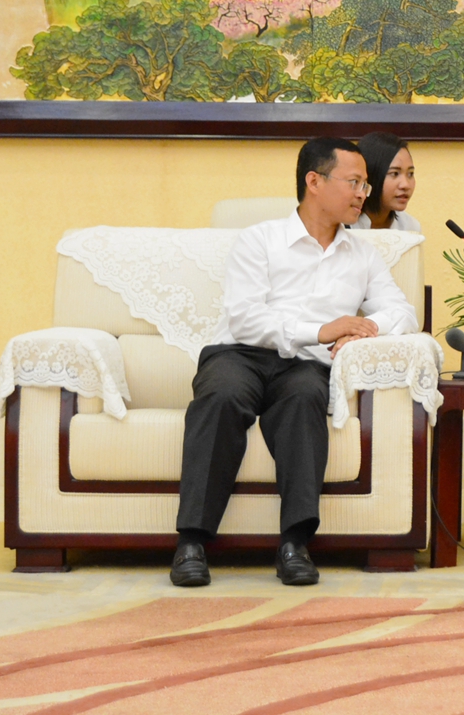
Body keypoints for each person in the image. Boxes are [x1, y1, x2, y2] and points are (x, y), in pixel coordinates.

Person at [170, 137, 419, 588]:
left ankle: (295, 544)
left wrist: (367, 329)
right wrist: (323, 330)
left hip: (306, 366)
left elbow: (402, 311)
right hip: (240, 354)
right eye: (354, 182)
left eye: (365, 184)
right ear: (314, 182)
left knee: (305, 400)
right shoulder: (260, 240)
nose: (363, 194)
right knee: (221, 396)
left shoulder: (363, 254)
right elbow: (246, 319)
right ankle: (191, 543)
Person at [353, 131, 420, 232]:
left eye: (410, 174)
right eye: (395, 173)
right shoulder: (341, 225)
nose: (405, 185)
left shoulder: (410, 227)